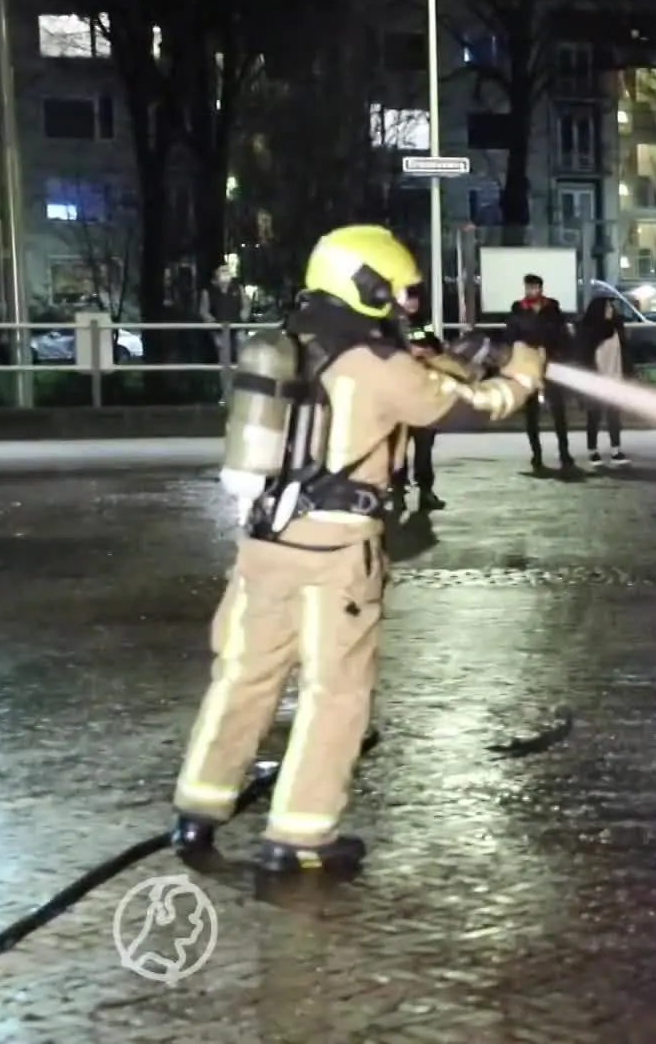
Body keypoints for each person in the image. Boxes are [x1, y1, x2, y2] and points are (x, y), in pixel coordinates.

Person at [170, 224, 545, 874]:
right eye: (398, 293)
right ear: (369, 286)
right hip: (334, 553)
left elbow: (412, 377)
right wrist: (521, 374)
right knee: (334, 691)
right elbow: (466, 408)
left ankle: (199, 808)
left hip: (266, 542)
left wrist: (453, 356)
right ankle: (301, 835)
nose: (404, 305)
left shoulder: (295, 343)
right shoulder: (374, 364)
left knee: (244, 676)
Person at [505, 274, 575, 471]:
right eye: (529, 287)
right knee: (531, 412)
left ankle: (565, 454)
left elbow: (562, 335)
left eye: (535, 287)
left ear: (541, 288)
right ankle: (536, 455)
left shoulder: (552, 309)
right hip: (529, 366)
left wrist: (557, 353)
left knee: (558, 410)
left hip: (551, 365)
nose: (532, 291)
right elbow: (511, 336)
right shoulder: (518, 310)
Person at [393, 296, 446, 511]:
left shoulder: (423, 322)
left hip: (423, 393)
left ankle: (426, 492)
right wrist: (411, 352)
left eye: (415, 300)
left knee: (424, 449)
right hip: (399, 397)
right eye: (408, 299)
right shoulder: (390, 324)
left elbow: (435, 346)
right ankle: (397, 494)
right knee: (398, 450)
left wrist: (431, 351)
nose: (413, 304)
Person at [576, 296, 632, 468]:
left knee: (614, 416)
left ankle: (616, 450)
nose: (611, 309)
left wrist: (628, 372)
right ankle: (592, 451)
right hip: (595, 380)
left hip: (614, 378)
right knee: (594, 416)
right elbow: (583, 358)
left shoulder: (617, 327)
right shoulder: (588, 331)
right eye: (607, 306)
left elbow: (625, 352)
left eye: (611, 307)